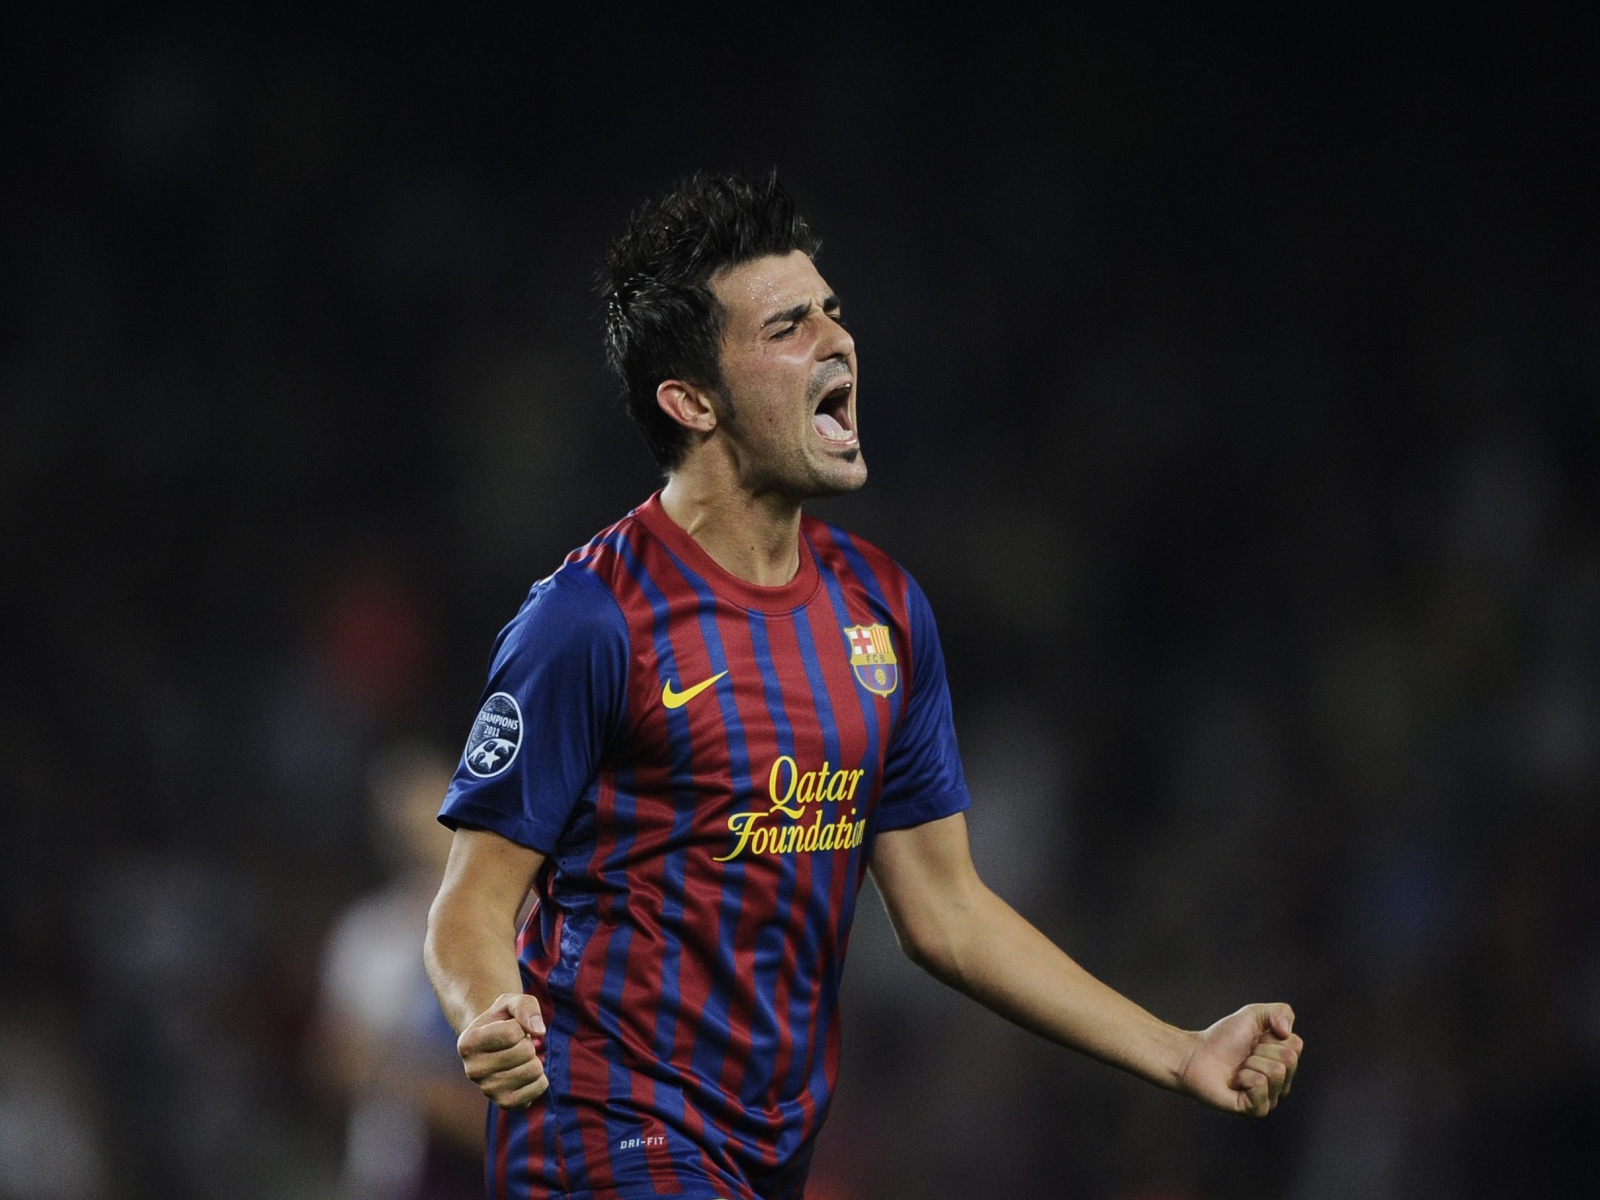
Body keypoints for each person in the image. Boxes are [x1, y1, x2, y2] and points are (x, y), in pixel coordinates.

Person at [424, 171, 1303, 1200]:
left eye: (832, 310)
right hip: (602, 1132)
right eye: (788, 325)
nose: (837, 339)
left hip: (767, 1153)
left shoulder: (881, 609)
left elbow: (947, 911)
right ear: (691, 401)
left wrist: (1177, 1050)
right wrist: (488, 1010)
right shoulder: (589, 620)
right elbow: (470, 900)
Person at [316, 742, 487, 1200]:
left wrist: (404, 1078)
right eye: (401, 811)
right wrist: (418, 1088)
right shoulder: (370, 931)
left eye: (428, 802)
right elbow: (335, 1062)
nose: (417, 825)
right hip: (394, 1168)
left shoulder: (514, 921)